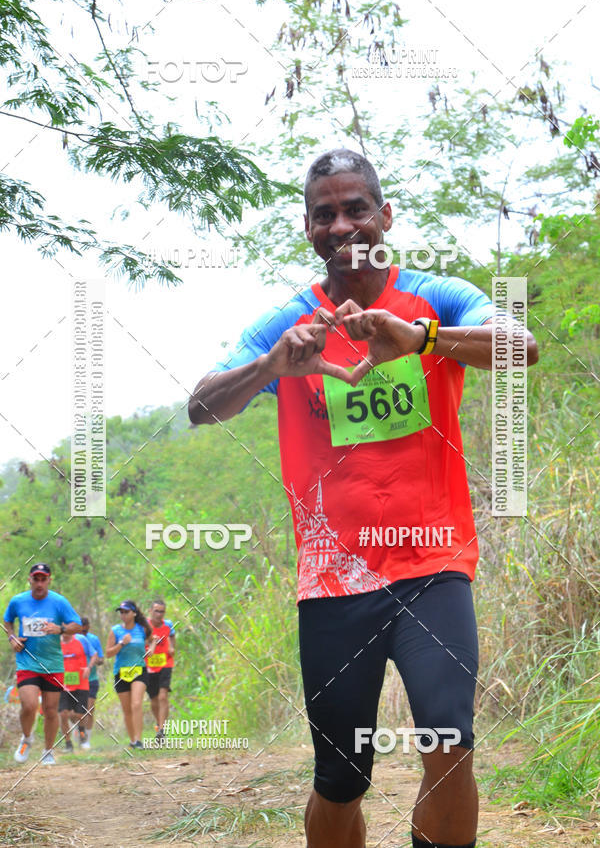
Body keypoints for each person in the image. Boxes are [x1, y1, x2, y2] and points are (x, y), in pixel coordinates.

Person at [188, 148, 539, 848]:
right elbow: (201, 405)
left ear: (386, 216)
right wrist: (270, 366)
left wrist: (423, 339)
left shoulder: (435, 299)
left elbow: (520, 347)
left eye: (356, 209)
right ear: (309, 228)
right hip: (334, 578)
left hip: (433, 565)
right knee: (342, 775)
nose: (342, 224)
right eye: (325, 214)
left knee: (450, 742)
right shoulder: (291, 323)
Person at [2, 563, 82, 765]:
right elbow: (7, 620)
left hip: (53, 664)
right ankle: (27, 738)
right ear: (29, 579)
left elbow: (78, 625)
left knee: (50, 710)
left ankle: (48, 750)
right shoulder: (18, 601)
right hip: (27, 661)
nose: (39, 583)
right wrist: (12, 638)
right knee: (28, 705)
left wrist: (60, 628)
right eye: (35, 579)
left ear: (49, 580)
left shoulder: (58, 601)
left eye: (43, 579)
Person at [106, 600, 155, 748]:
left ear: (134, 613)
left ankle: (139, 740)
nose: (123, 615)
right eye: (121, 612)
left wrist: (151, 648)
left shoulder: (142, 629)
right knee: (127, 709)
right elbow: (108, 653)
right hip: (121, 672)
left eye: (126, 612)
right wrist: (121, 643)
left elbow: (153, 639)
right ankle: (133, 740)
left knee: (136, 704)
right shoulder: (115, 630)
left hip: (139, 670)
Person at [59, 629, 94, 751]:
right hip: (63, 685)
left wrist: (89, 667)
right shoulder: (56, 642)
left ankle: (82, 732)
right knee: (63, 714)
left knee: (79, 715)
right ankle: (68, 744)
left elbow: (94, 654)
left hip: (81, 684)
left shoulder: (81, 640)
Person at [146, 599, 176, 739]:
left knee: (163, 696)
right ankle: (159, 725)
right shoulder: (143, 626)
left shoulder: (168, 625)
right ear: (150, 611)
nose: (159, 614)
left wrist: (172, 648)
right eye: (156, 611)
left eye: (162, 611)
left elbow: (172, 636)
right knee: (154, 699)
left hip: (165, 664)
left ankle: (162, 729)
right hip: (149, 665)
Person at [81, 616, 103, 747]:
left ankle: (86, 740)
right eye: (80, 631)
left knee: (89, 710)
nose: (82, 634)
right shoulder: (73, 640)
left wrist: (94, 661)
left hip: (92, 679)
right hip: (75, 681)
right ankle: (78, 733)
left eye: (85, 631)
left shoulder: (94, 639)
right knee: (77, 712)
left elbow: (101, 659)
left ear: (89, 627)